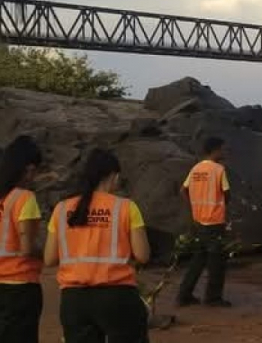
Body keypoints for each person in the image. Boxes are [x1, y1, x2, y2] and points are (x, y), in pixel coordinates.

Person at [44, 148, 151, 343]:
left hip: (73, 299)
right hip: (117, 296)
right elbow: (143, 255)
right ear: (113, 175)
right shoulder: (126, 207)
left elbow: (49, 258)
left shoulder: (61, 209)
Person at [177, 137, 232, 307]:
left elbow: (182, 190)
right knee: (217, 261)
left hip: (199, 220)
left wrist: (193, 207)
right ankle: (213, 298)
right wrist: (222, 204)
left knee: (199, 258)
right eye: (222, 149)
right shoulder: (218, 170)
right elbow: (227, 193)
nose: (223, 152)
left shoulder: (196, 169)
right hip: (214, 221)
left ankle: (184, 294)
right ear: (214, 150)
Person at [0, 136, 43, 343]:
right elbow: (27, 248)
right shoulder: (24, 198)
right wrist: (50, 251)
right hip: (20, 285)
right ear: (27, 169)